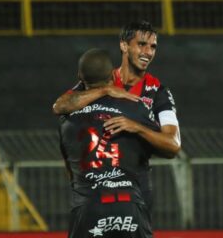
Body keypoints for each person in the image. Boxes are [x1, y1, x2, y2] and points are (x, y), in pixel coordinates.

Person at [59, 48, 162, 238]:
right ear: (113, 76)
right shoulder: (134, 107)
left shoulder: (67, 119)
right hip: (128, 203)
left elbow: (70, 170)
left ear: (79, 77)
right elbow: (159, 147)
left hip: (88, 205)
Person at [53, 20, 181, 159]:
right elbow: (59, 106)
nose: (148, 52)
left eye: (153, 47)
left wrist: (137, 128)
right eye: (142, 44)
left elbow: (173, 145)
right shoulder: (102, 79)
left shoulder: (158, 92)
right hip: (93, 172)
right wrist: (104, 90)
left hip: (131, 175)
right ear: (124, 45)